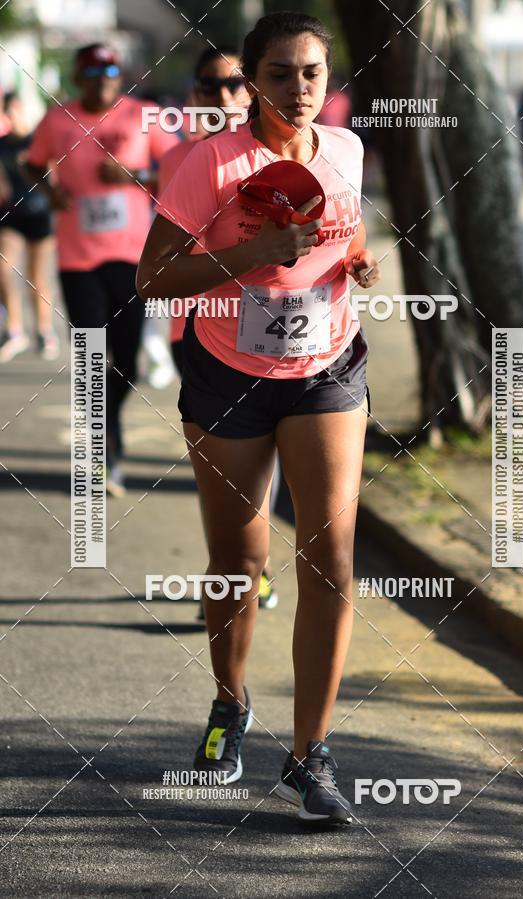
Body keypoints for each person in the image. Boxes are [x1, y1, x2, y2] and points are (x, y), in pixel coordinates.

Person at [138, 12, 380, 825]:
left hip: (326, 368)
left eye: (312, 73)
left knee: (331, 559)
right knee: (239, 563)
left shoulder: (344, 149)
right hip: (228, 374)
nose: (299, 89)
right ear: (250, 82)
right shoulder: (208, 163)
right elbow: (152, 278)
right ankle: (230, 700)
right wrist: (252, 253)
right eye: (279, 74)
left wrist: (356, 258)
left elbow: (345, 229)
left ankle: (311, 753)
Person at [26, 44, 178, 495]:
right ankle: (103, 453)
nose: (102, 80)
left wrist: (134, 177)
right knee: (93, 357)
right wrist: (51, 193)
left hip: (133, 259)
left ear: (120, 76)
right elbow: (32, 165)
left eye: (110, 72)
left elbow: (178, 169)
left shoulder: (143, 115)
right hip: (78, 260)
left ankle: (107, 428)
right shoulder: (57, 120)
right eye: (92, 73)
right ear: (78, 78)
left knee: (127, 363)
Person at [158, 46, 279, 613]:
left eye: (234, 84)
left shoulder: (282, 152)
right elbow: (169, 255)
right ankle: (230, 570)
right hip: (200, 329)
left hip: (280, 330)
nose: (224, 95)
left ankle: (256, 567)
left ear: (251, 89)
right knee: (222, 474)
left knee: (271, 461)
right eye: (211, 86)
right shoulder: (179, 160)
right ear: (196, 96)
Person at [0, 93, 58, 363]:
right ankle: (14, 330)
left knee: (37, 277)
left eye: (17, 109)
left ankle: (44, 331)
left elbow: (55, 175)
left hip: (39, 213)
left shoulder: (38, 141)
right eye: (8, 110)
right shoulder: (2, 144)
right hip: (11, 214)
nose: (13, 115)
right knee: (3, 267)